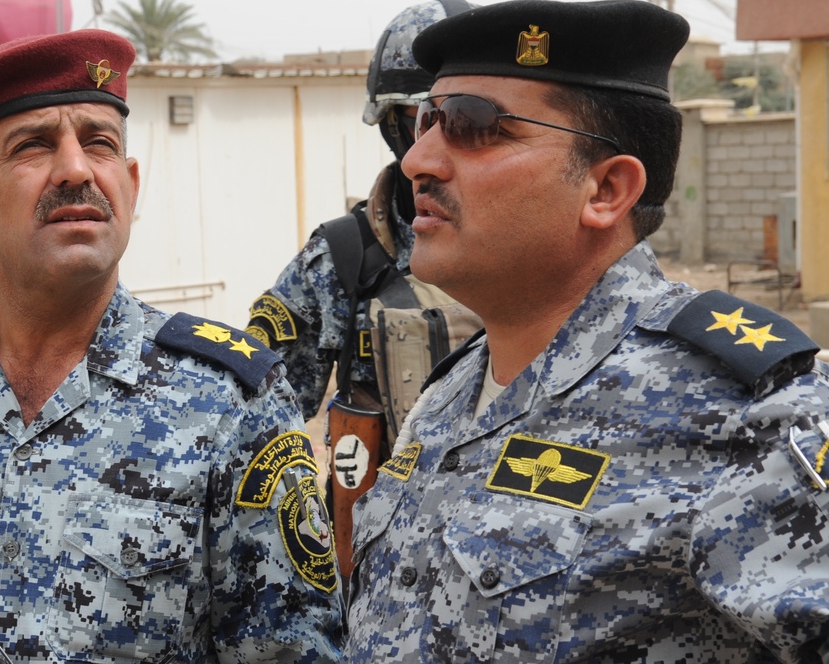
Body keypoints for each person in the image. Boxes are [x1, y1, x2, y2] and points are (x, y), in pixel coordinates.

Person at [0, 29, 342, 663]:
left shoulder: (232, 402)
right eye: (33, 145)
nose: (76, 169)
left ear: (130, 184)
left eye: (99, 143)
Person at [345, 1, 829, 662]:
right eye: (427, 120)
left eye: (471, 125)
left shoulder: (752, 416)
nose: (418, 160)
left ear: (606, 190)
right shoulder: (450, 395)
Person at [245, 0, 480, 582]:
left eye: (464, 120)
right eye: (420, 116)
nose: (435, 140)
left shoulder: (541, 251)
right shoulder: (343, 259)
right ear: (391, 125)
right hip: (372, 568)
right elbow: (258, 418)